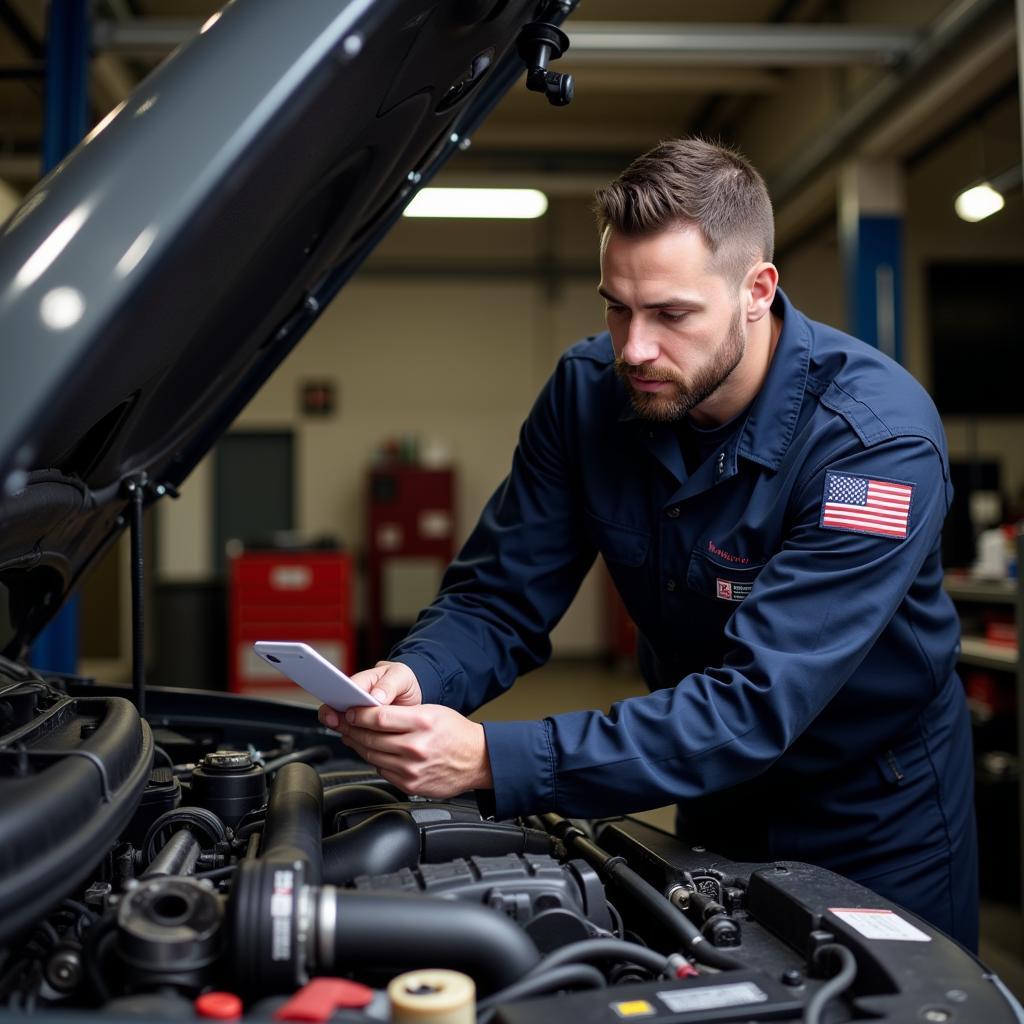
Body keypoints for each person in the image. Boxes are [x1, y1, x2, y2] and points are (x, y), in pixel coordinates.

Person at [319, 138, 978, 949]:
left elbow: (756, 701)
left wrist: (497, 758)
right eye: (616, 307)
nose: (633, 348)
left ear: (756, 291)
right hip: (708, 784)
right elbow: (499, 595)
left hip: (877, 808)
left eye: (670, 314)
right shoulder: (588, 392)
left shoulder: (872, 446)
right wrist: (418, 674)